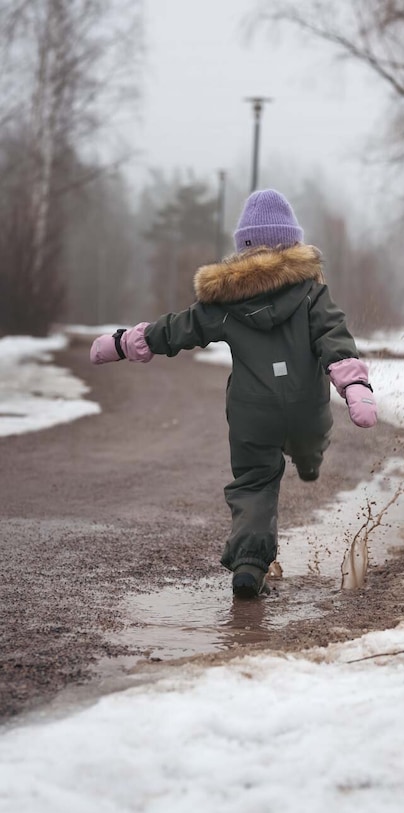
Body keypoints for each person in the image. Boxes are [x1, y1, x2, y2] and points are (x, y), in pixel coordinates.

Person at [90, 189, 377, 599]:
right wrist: (354, 385)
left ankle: (249, 563)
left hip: (251, 411)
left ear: (242, 249)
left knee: (255, 483)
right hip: (306, 408)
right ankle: (309, 460)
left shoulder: (225, 302)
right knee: (312, 439)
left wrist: (124, 343)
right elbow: (335, 337)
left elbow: (177, 329)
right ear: (293, 244)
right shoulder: (313, 294)